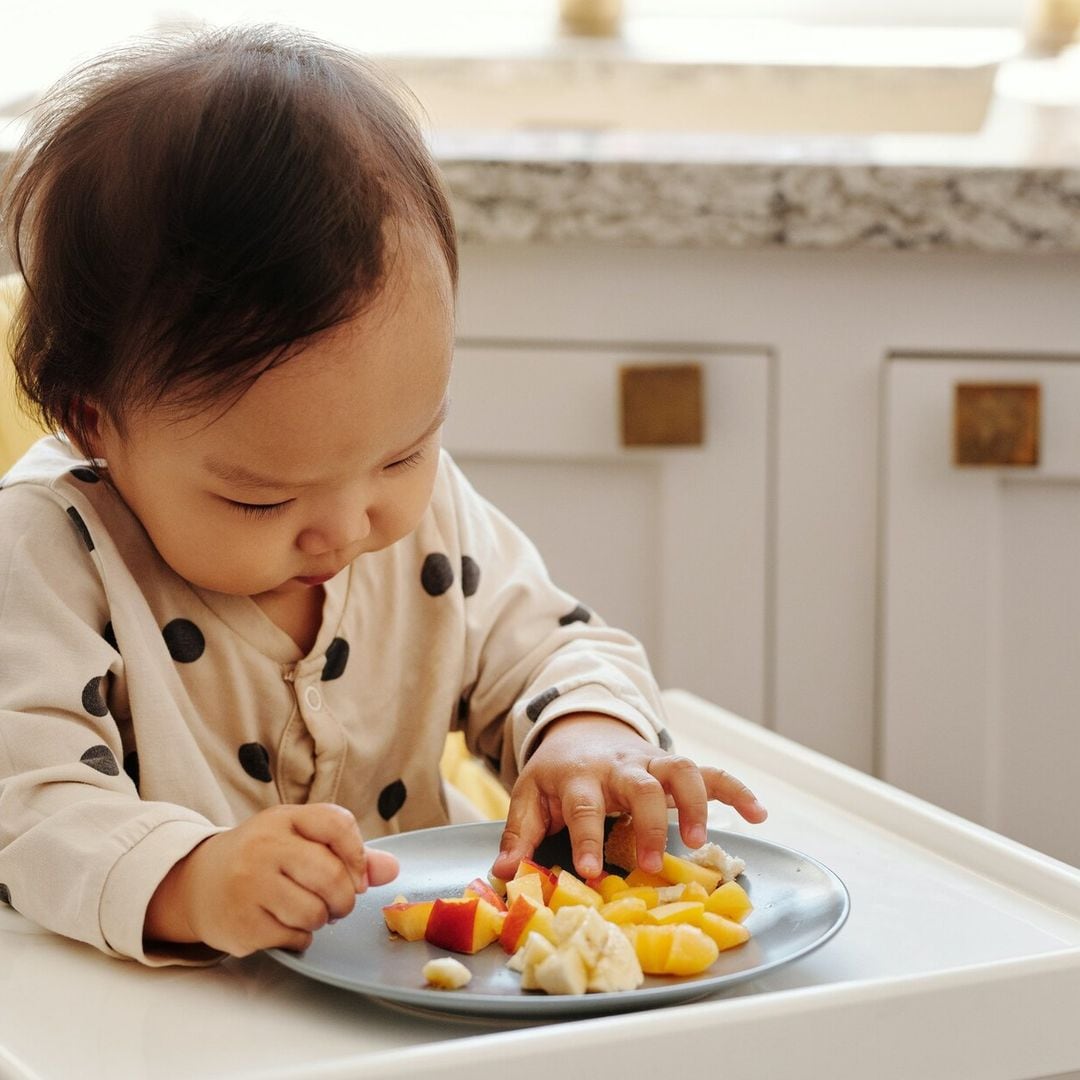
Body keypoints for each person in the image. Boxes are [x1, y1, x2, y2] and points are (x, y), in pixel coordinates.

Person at [0, 25, 766, 965]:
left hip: (429, 996)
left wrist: (586, 734)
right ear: (95, 424)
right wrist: (190, 880)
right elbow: (28, 800)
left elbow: (547, 648)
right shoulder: (46, 551)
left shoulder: (425, 513)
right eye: (261, 500)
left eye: (401, 454)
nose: (346, 525)